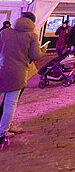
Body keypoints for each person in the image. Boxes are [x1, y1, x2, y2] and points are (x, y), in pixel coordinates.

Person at [0, 12, 45, 150]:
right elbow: (35, 55)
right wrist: (42, 51)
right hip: (18, 72)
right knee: (10, 103)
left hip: (1, 68)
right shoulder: (32, 36)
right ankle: (2, 131)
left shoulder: (5, 32)